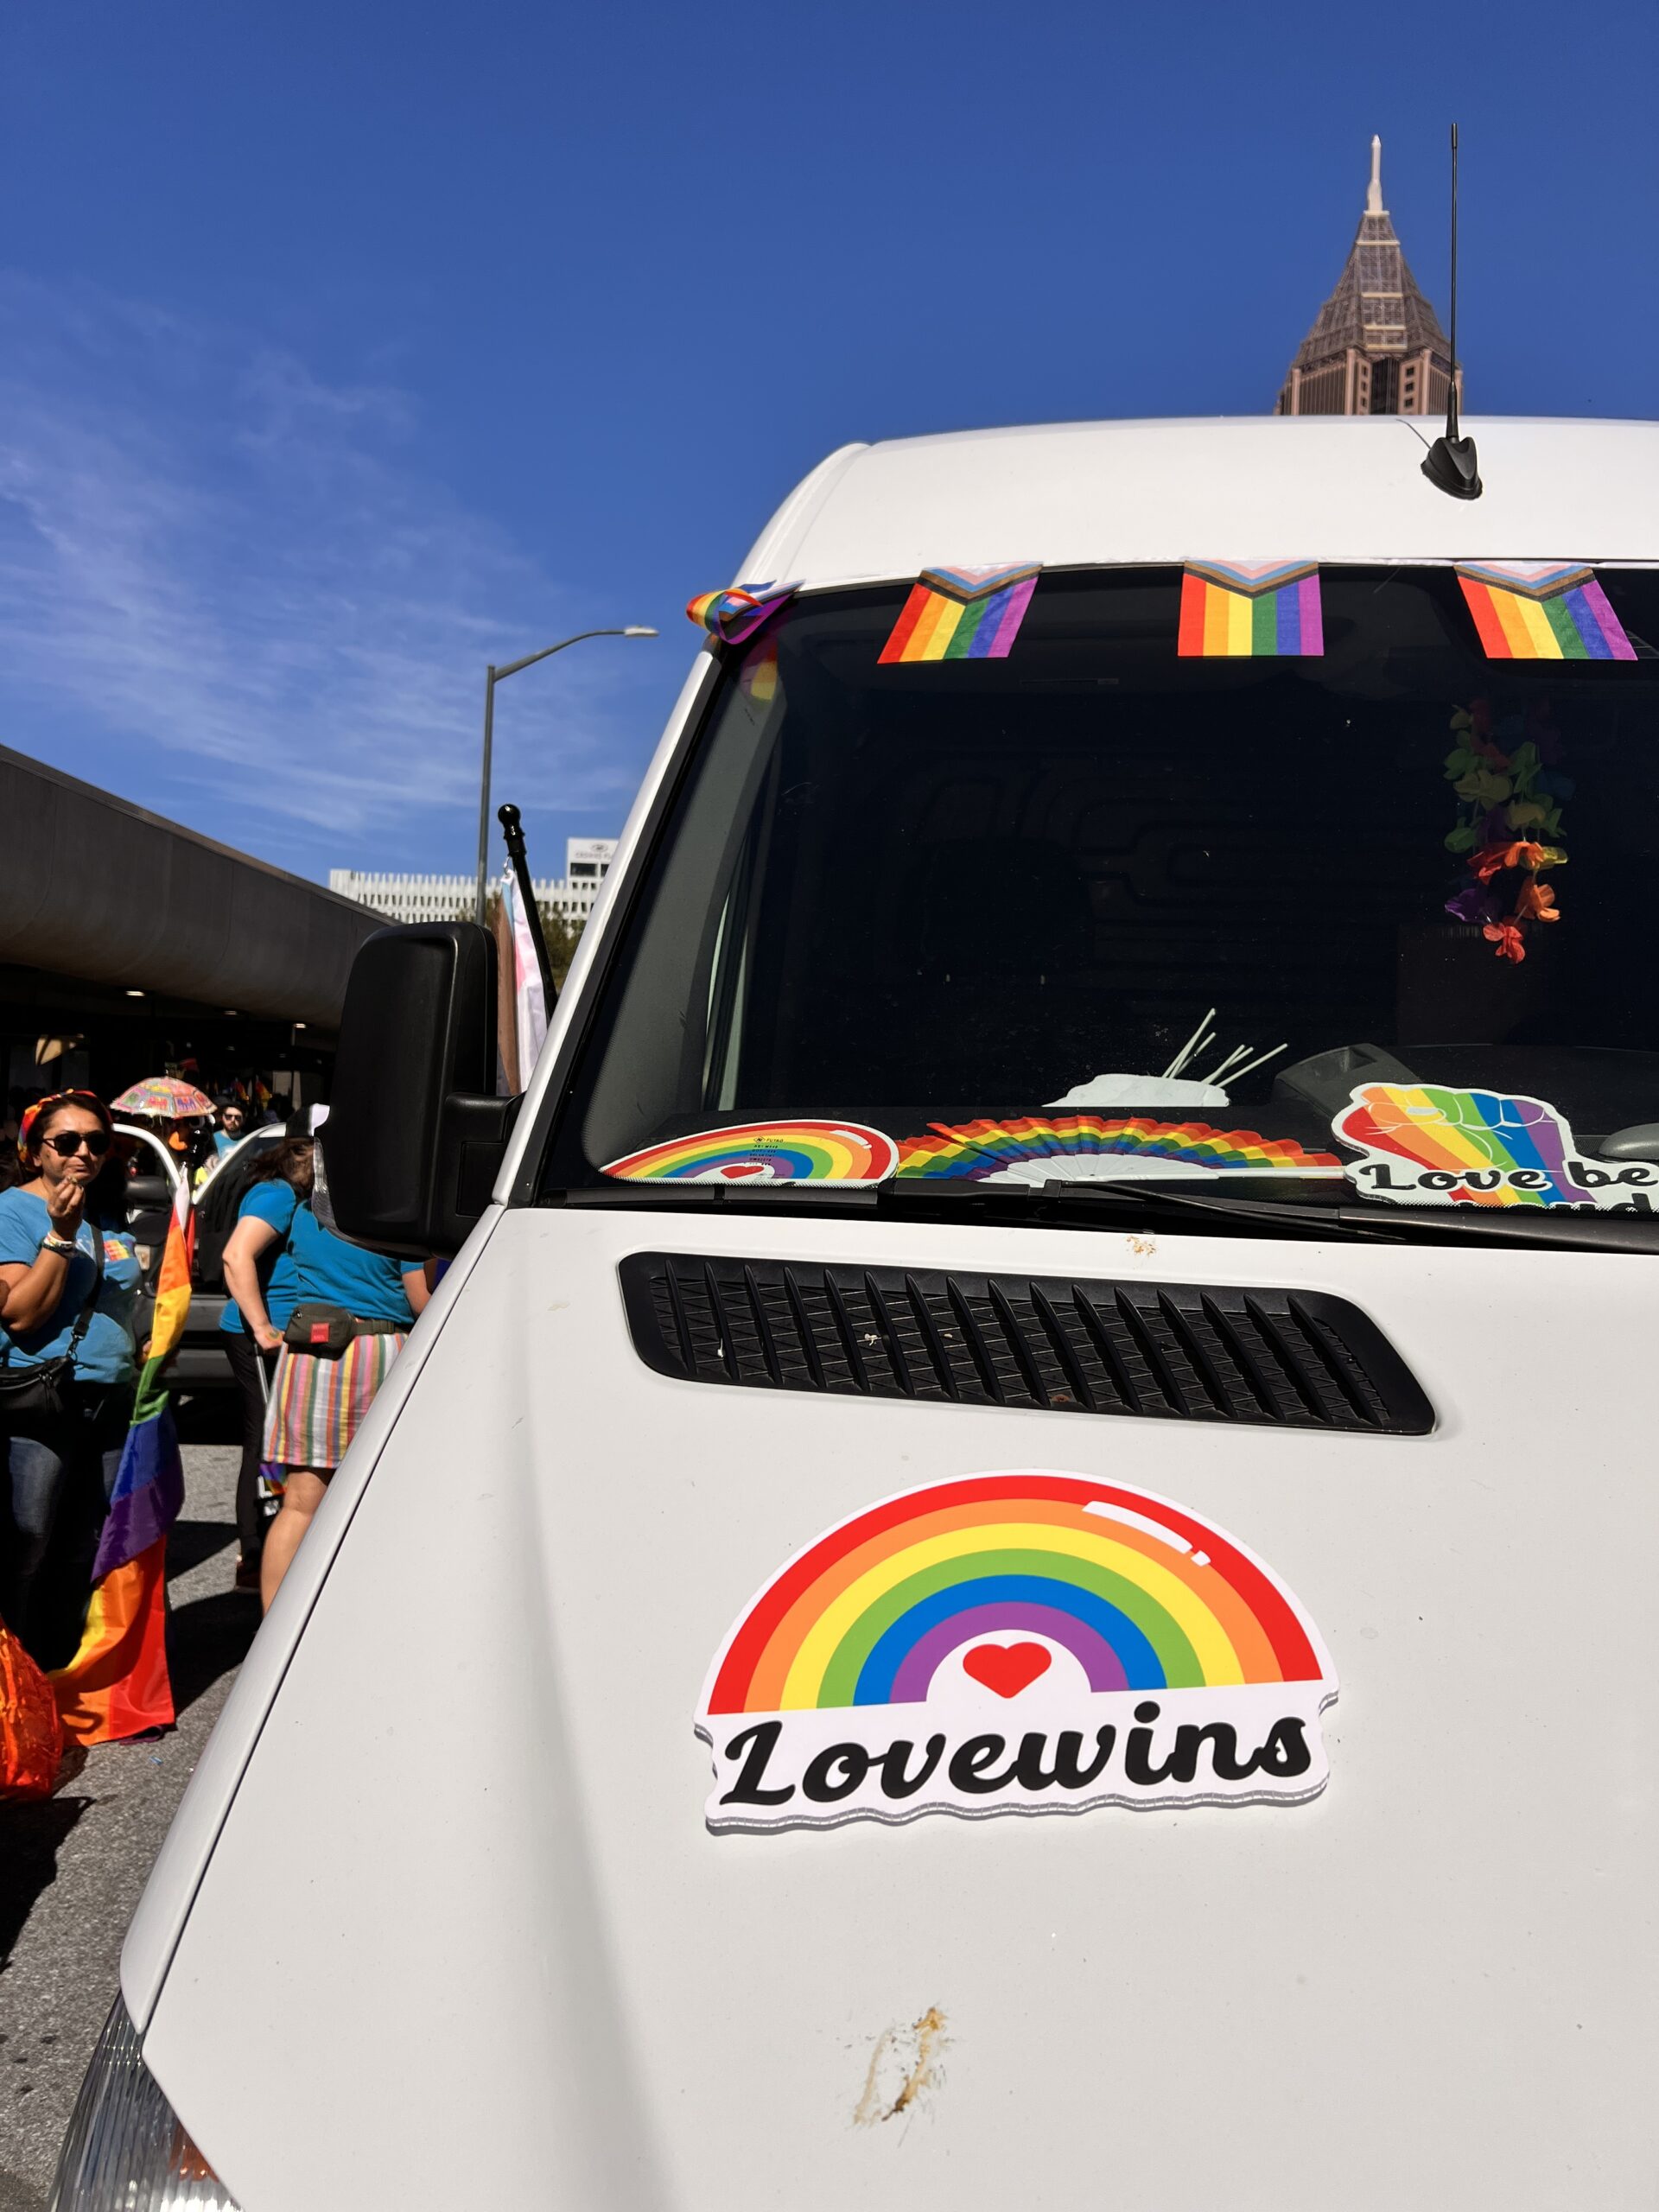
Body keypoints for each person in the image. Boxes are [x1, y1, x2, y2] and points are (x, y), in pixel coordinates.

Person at [0, 1091, 143, 1661]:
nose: (84, 1152)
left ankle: (57, 1669)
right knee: (26, 1537)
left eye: (96, 1142)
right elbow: (20, 1313)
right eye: (66, 1141)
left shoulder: (107, 1213)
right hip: (41, 1397)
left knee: (86, 1539)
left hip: (110, 1398)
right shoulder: (13, 1210)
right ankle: (13, 1673)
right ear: (35, 1153)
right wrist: (60, 1233)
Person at [259, 1196, 429, 1610]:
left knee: (298, 1504)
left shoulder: (305, 1211)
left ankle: (272, 1633)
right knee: (377, 1502)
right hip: (375, 1353)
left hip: (307, 1355)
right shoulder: (399, 1212)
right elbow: (421, 1300)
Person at [218, 1135, 311, 1592]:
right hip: (259, 1334)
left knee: (273, 1436)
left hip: (274, 1331)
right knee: (264, 1439)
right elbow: (236, 1256)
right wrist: (260, 1327)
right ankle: (254, 1555)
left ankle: (268, 1547)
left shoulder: (284, 1193)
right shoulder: (278, 1195)